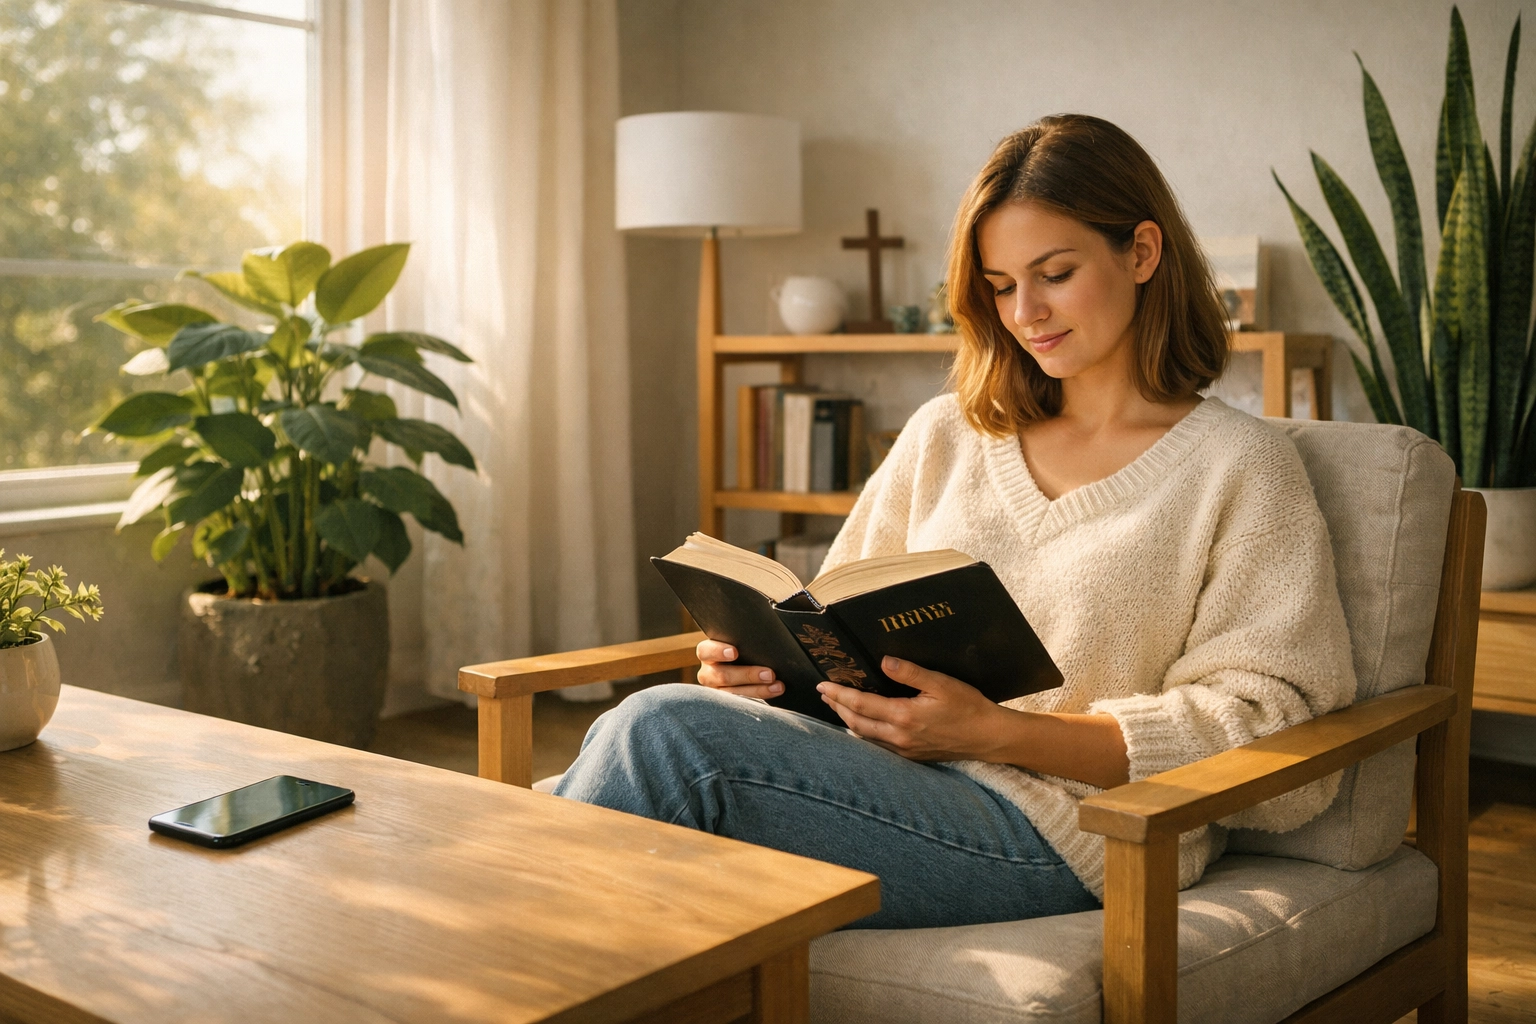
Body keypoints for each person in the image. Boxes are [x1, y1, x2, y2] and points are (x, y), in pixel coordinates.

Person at [554, 114, 1356, 930]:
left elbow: (1270, 721)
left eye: (1055, 273)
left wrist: (997, 732)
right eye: (1002, 286)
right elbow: (828, 620)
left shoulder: (1240, 466)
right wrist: (763, 675)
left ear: (1142, 253)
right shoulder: (947, 434)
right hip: (875, 776)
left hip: (1065, 832)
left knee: (659, 737)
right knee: (616, 761)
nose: (1026, 312)